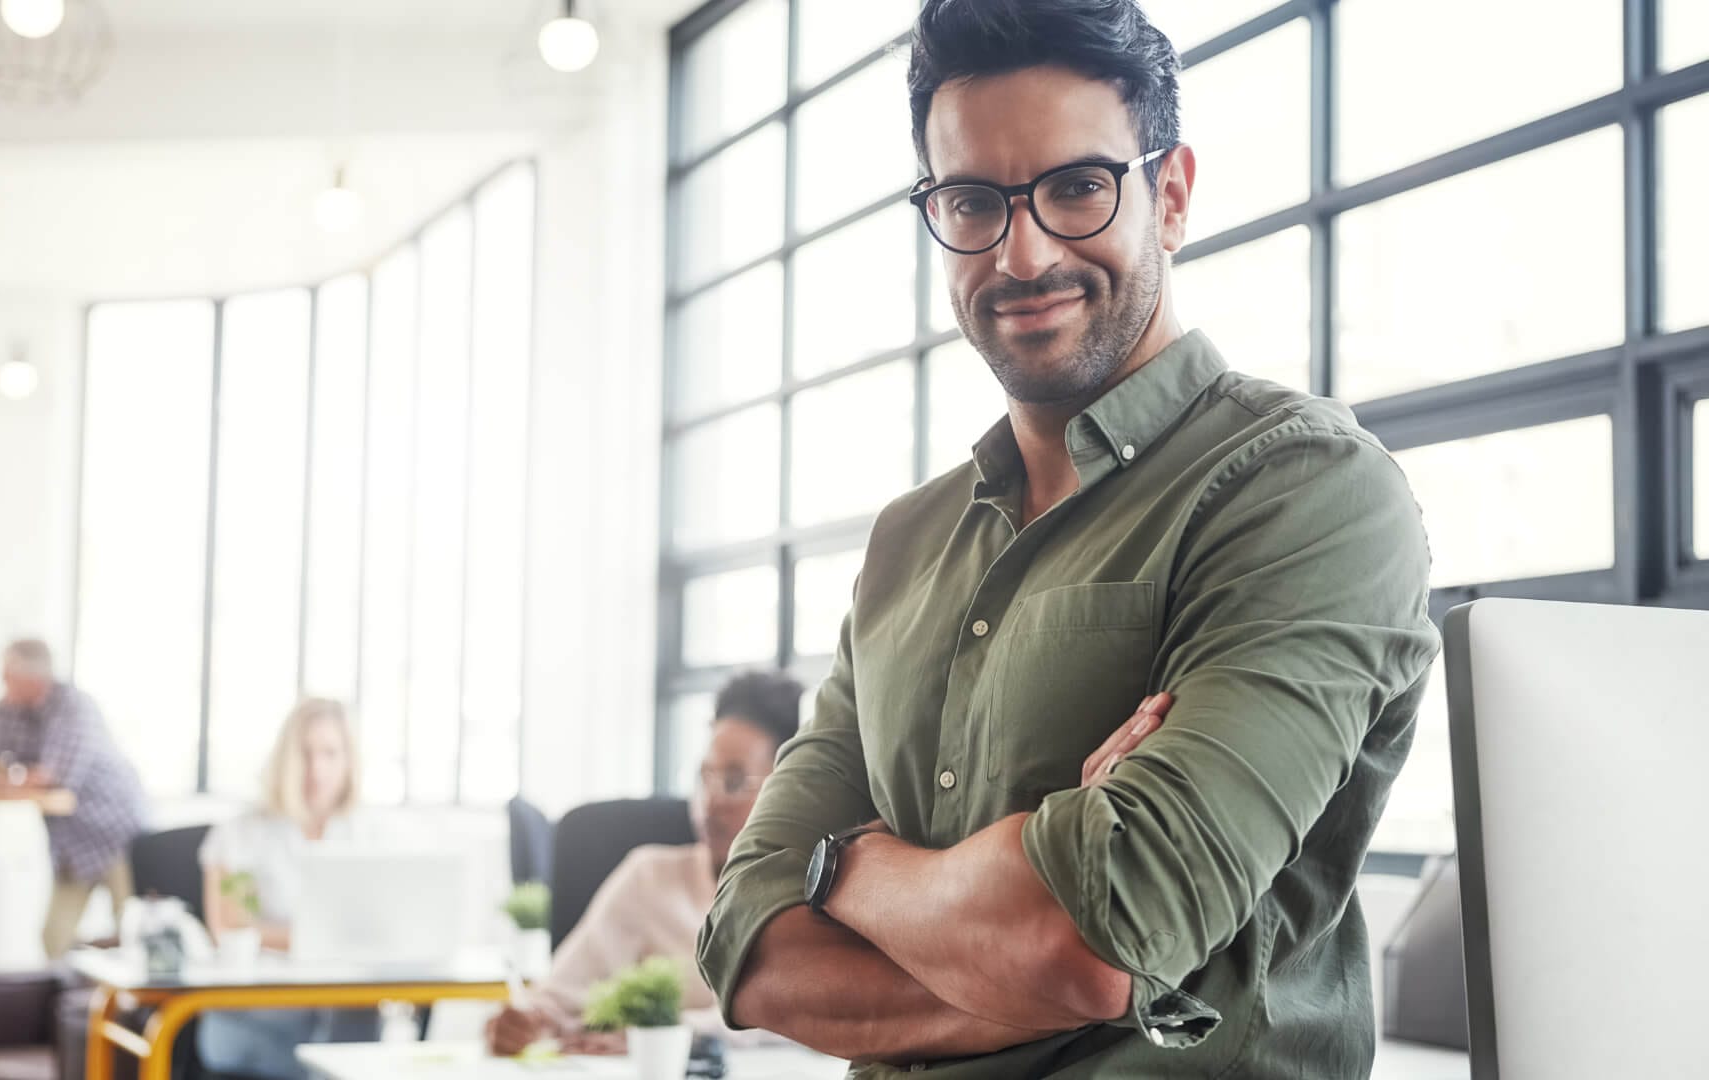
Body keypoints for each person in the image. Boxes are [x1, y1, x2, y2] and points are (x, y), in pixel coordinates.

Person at [695, 3, 1440, 1077]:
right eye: (971, 202)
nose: (1023, 251)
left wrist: (845, 866)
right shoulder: (908, 543)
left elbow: (1092, 942)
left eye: (1078, 187)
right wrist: (1036, 932)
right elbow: (752, 948)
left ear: (1169, 195)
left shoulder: (1303, 491)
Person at [484, 671, 804, 1058]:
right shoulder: (649, 878)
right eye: (705, 778)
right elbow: (557, 1000)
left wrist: (668, 1033)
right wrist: (526, 1021)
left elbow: (805, 1017)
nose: (710, 803)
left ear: (789, 791)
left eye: (734, 782)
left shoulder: (811, 899)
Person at [195, 698, 375, 1080]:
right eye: (305, 754)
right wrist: (327, 940)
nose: (317, 770)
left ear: (349, 761)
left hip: (345, 1013)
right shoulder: (241, 835)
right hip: (259, 1018)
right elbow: (232, 929)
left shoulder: (369, 835)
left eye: (330, 753)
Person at [0, 638, 147, 958]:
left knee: (135, 934)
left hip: (115, 830)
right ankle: (71, 1002)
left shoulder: (74, 705)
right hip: (70, 839)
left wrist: (14, 777)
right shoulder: (8, 708)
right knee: (54, 938)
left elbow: (54, 775)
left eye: (7, 674)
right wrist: (8, 776)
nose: (2, 681)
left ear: (31, 677)